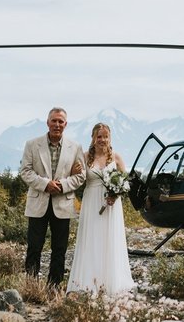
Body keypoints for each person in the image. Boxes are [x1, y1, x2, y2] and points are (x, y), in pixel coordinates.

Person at [20, 107, 86, 287]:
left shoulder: (75, 147)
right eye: (54, 120)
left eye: (60, 121)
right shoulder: (32, 144)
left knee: (59, 249)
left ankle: (54, 287)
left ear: (66, 124)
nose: (57, 124)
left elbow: (81, 176)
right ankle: (31, 285)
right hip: (38, 203)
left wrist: (62, 186)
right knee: (34, 247)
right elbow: (25, 172)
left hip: (63, 204)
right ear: (47, 122)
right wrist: (45, 184)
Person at [67, 122, 135, 295]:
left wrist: (116, 193)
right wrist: (74, 172)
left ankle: (111, 281)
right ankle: (89, 281)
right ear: (93, 138)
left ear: (110, 138)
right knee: (92, 238)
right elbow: (76, 179)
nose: (102, 140)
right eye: (99, 136)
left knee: (109, 238)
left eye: (106, 136)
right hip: (91, 201)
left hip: (112, 206)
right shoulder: (83, 157)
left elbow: (126, 182)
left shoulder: (116, 158)